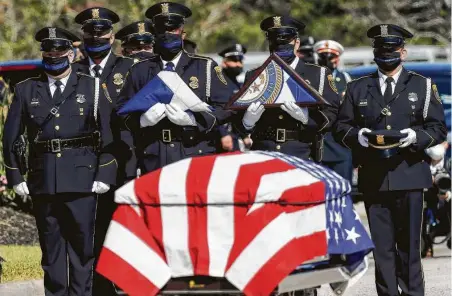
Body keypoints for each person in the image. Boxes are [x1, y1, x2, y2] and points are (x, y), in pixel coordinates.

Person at [2, 27, 117, 296]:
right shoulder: (26, 89)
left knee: (82, 250)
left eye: (59, 52)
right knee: (51, 251)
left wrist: (104, 174)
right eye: (48, 52)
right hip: (44, 180)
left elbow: (111, 137)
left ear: (71, 53)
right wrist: (16, 177)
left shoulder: (92, 87)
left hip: (82, 178)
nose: (53, 56)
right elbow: (11, 138)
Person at [334, 24, 447, 296]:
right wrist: (358, 137)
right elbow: (341, 128)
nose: (387, 55)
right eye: (381, 50)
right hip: (375, 177)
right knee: (382, 249)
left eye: (392, 50)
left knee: (409, 247)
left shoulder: (421, 85)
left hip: (409, 173)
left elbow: (437, 129)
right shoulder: (358, 88)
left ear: (403, 53)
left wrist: (415, 137)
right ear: (375, 53)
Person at [117, 1, 234, 174]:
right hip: (154, 155)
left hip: (195, 151)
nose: (167, 34)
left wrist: (195, 120)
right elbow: (121, 111)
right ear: (155, 33)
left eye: (172, 29)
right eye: (162, 30)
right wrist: (141, 121)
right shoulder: (139, 69)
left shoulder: (204, 67)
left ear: (182, 32)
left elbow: (227, 107)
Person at [73, 7, 136, 295]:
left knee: (120, 227)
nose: (96, 37)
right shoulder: (72, 69)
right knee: (87, 229)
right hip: (81, 162)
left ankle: (124, 285)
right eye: (90, 32)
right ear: (83, 36)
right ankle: (97, 287)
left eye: (102, 32)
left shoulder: (131, 68)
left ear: (112, 37)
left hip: (122, 158)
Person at [234, 16, 340, 162]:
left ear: (297, 43)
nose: (280, 45)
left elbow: (332, 113)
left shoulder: (318, 74)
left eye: (286, 40)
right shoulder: (255, 75)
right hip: (263, 152)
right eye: (275, 41)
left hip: (302, 151)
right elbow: (236, 117)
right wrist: (247, 122)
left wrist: (307, 118)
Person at [313, 40, 353, 182]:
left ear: (337, 59)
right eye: (323, 57)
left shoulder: (344, 78)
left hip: (339, 141)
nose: (327, 61)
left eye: (330, 57)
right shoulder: (312, 77)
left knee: (342, 188)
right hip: (318, 140)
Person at [422, 141, 451, 257]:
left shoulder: (449, 164)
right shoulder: (422, 165)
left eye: (438, 160)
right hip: (428, 200)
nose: (436, 162)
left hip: (446, 207)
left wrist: (449, 195)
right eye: (433, 160)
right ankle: (424, 245)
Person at [218, 43, 248, 152]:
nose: (239, 64)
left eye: (240, 61)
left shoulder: (237, 83)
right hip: (221, 138)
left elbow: (236, 113)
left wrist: (244, 136)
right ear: (224, 62)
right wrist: (223, 134)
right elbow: (214, 110)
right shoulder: (217, 82)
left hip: (234, 137)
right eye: (234, 61)